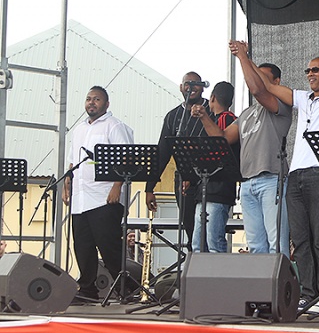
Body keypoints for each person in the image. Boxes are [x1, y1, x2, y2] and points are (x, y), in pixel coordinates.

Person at [258, 30, 319, 315]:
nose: (310, 74)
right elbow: (268, 87)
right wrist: (244, 58)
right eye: (308, 70)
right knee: (300, 239)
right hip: (295, 174)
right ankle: (308, 293)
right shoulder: (303, 98)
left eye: (315, 70)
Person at [193, 44, 292, 256]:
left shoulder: (281, 104)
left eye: (263, 76)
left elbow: (257, 90)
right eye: (256, 75)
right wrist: (204, 117)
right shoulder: (246, 113)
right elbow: (222, 138)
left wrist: (242, 57)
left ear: (276, 82)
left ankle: (282, 278)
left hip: (271, 179)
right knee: (256, 246)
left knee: (276, 244)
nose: (257, 79)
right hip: (247, 183)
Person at [62, 86, 134, 301]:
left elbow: (127, 158)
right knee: (82, 245)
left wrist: (117, 186)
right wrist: (67, 184)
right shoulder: (78, 129)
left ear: (106, 104)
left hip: (104, 196)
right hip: (80, 197)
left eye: (97, 99)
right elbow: (73, 162)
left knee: (108, 245)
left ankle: (127, 288)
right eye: (88, 99)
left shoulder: (114, 126)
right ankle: (87, 289)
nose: (91, 103)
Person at [145, 72, 210, 251]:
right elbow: (162, 154)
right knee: (191, 230)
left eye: (196, 84)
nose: (191, 87)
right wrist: (149, 188)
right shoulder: (173, 116)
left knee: (209, 232)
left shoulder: (210, 110)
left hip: (208, 180)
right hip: (183, 181)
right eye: (187, 83)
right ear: (181, 87)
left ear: (202, 88)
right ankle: (193, 264)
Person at [188, 81, 239, 253]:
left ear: (212, 98)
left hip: (219, 188)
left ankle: (220, 271)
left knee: (214, 242)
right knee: (197, 243)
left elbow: (220, 144)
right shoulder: (216, 119)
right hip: (206, 187)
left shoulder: (227, 118)